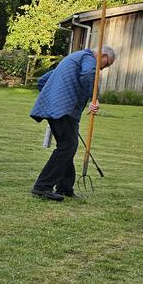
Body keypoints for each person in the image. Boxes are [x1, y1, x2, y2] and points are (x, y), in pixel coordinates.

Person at [29, 45, 115, 201]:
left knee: (67, 146)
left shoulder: (74, 58)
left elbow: (43, 81)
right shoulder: (88, 58)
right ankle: (42, 186)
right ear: (102, 55)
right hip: (64, 109)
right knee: (68, 146)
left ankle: (65, 187)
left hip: (57, 108)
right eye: (107, 64)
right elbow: (88, 74)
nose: (103, 69)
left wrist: (52, 98)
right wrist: (93, 98)